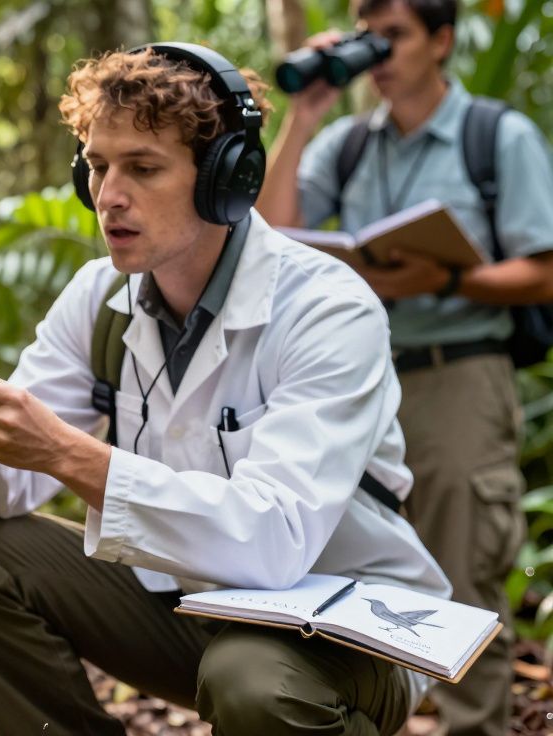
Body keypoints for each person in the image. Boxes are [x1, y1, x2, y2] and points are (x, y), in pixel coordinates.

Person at [0, 43, 450, 736]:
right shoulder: (98, 297)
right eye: (96, 166)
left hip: (347, 625)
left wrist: (65, 453)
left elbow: (274, 541)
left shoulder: (326, 307)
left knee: (252, 681)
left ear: (225, 179)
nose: (108, 195)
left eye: (143, 168)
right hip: (193, 608)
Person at [256, 0, 553, 731]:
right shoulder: (349, 143)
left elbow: (544, 270)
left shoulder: (495, 136)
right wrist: (305, 115)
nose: (379, 54)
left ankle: (473, 727)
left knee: (464, 573)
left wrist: (448, 280)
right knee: (347, 571)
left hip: (459, 372)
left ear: (441, 41)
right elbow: (268, 232)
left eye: (396, 36)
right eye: (368, 38)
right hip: (355, 380)